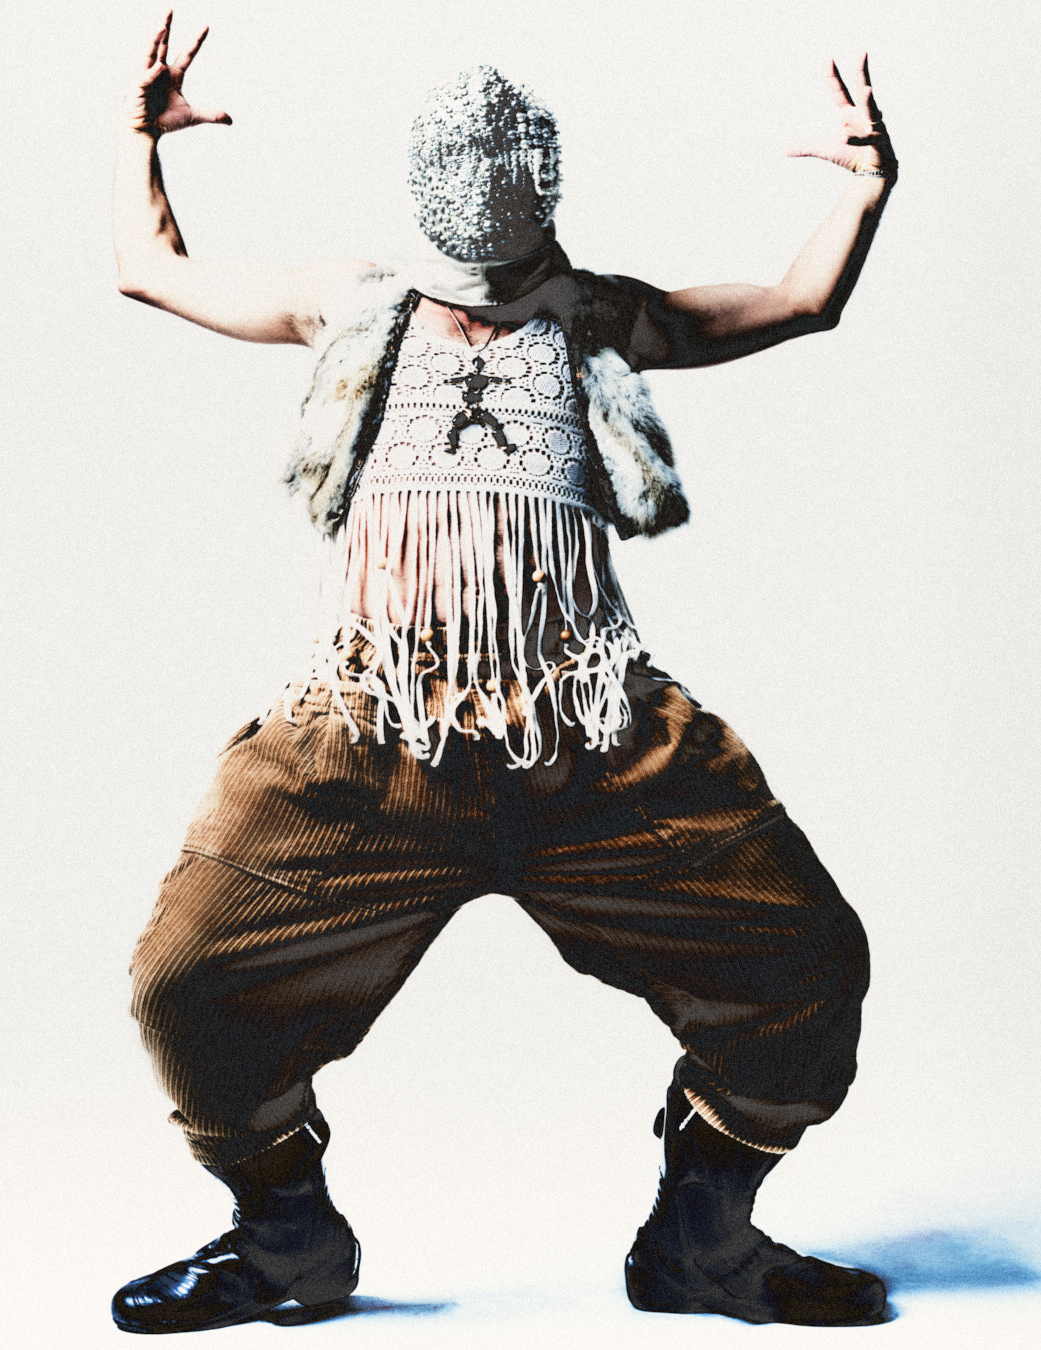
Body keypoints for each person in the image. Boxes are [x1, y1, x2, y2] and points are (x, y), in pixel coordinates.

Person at [111, 11, 898, 1335]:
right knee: (185, 980)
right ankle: (287, 1242)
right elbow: (148, 266)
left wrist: (867, 183)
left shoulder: (597, 318)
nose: (477, 283)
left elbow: (800, 300)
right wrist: (139, 139)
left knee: (804, 957)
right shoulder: (351, 303)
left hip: (590, 733)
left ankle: (703, 1243)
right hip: (361, 736)